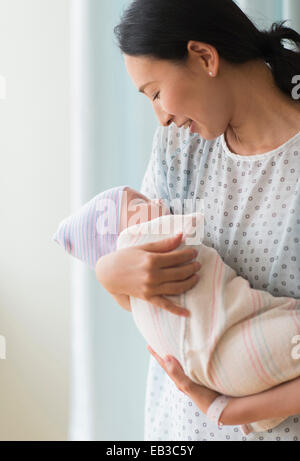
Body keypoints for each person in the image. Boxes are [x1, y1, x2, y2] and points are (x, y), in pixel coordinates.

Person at [103, 0, 300, 441]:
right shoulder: (179, 150)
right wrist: (112, 275)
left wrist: (231, 411)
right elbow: (165, 304)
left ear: (205, 57)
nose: (162, 115)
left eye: (155, 92)